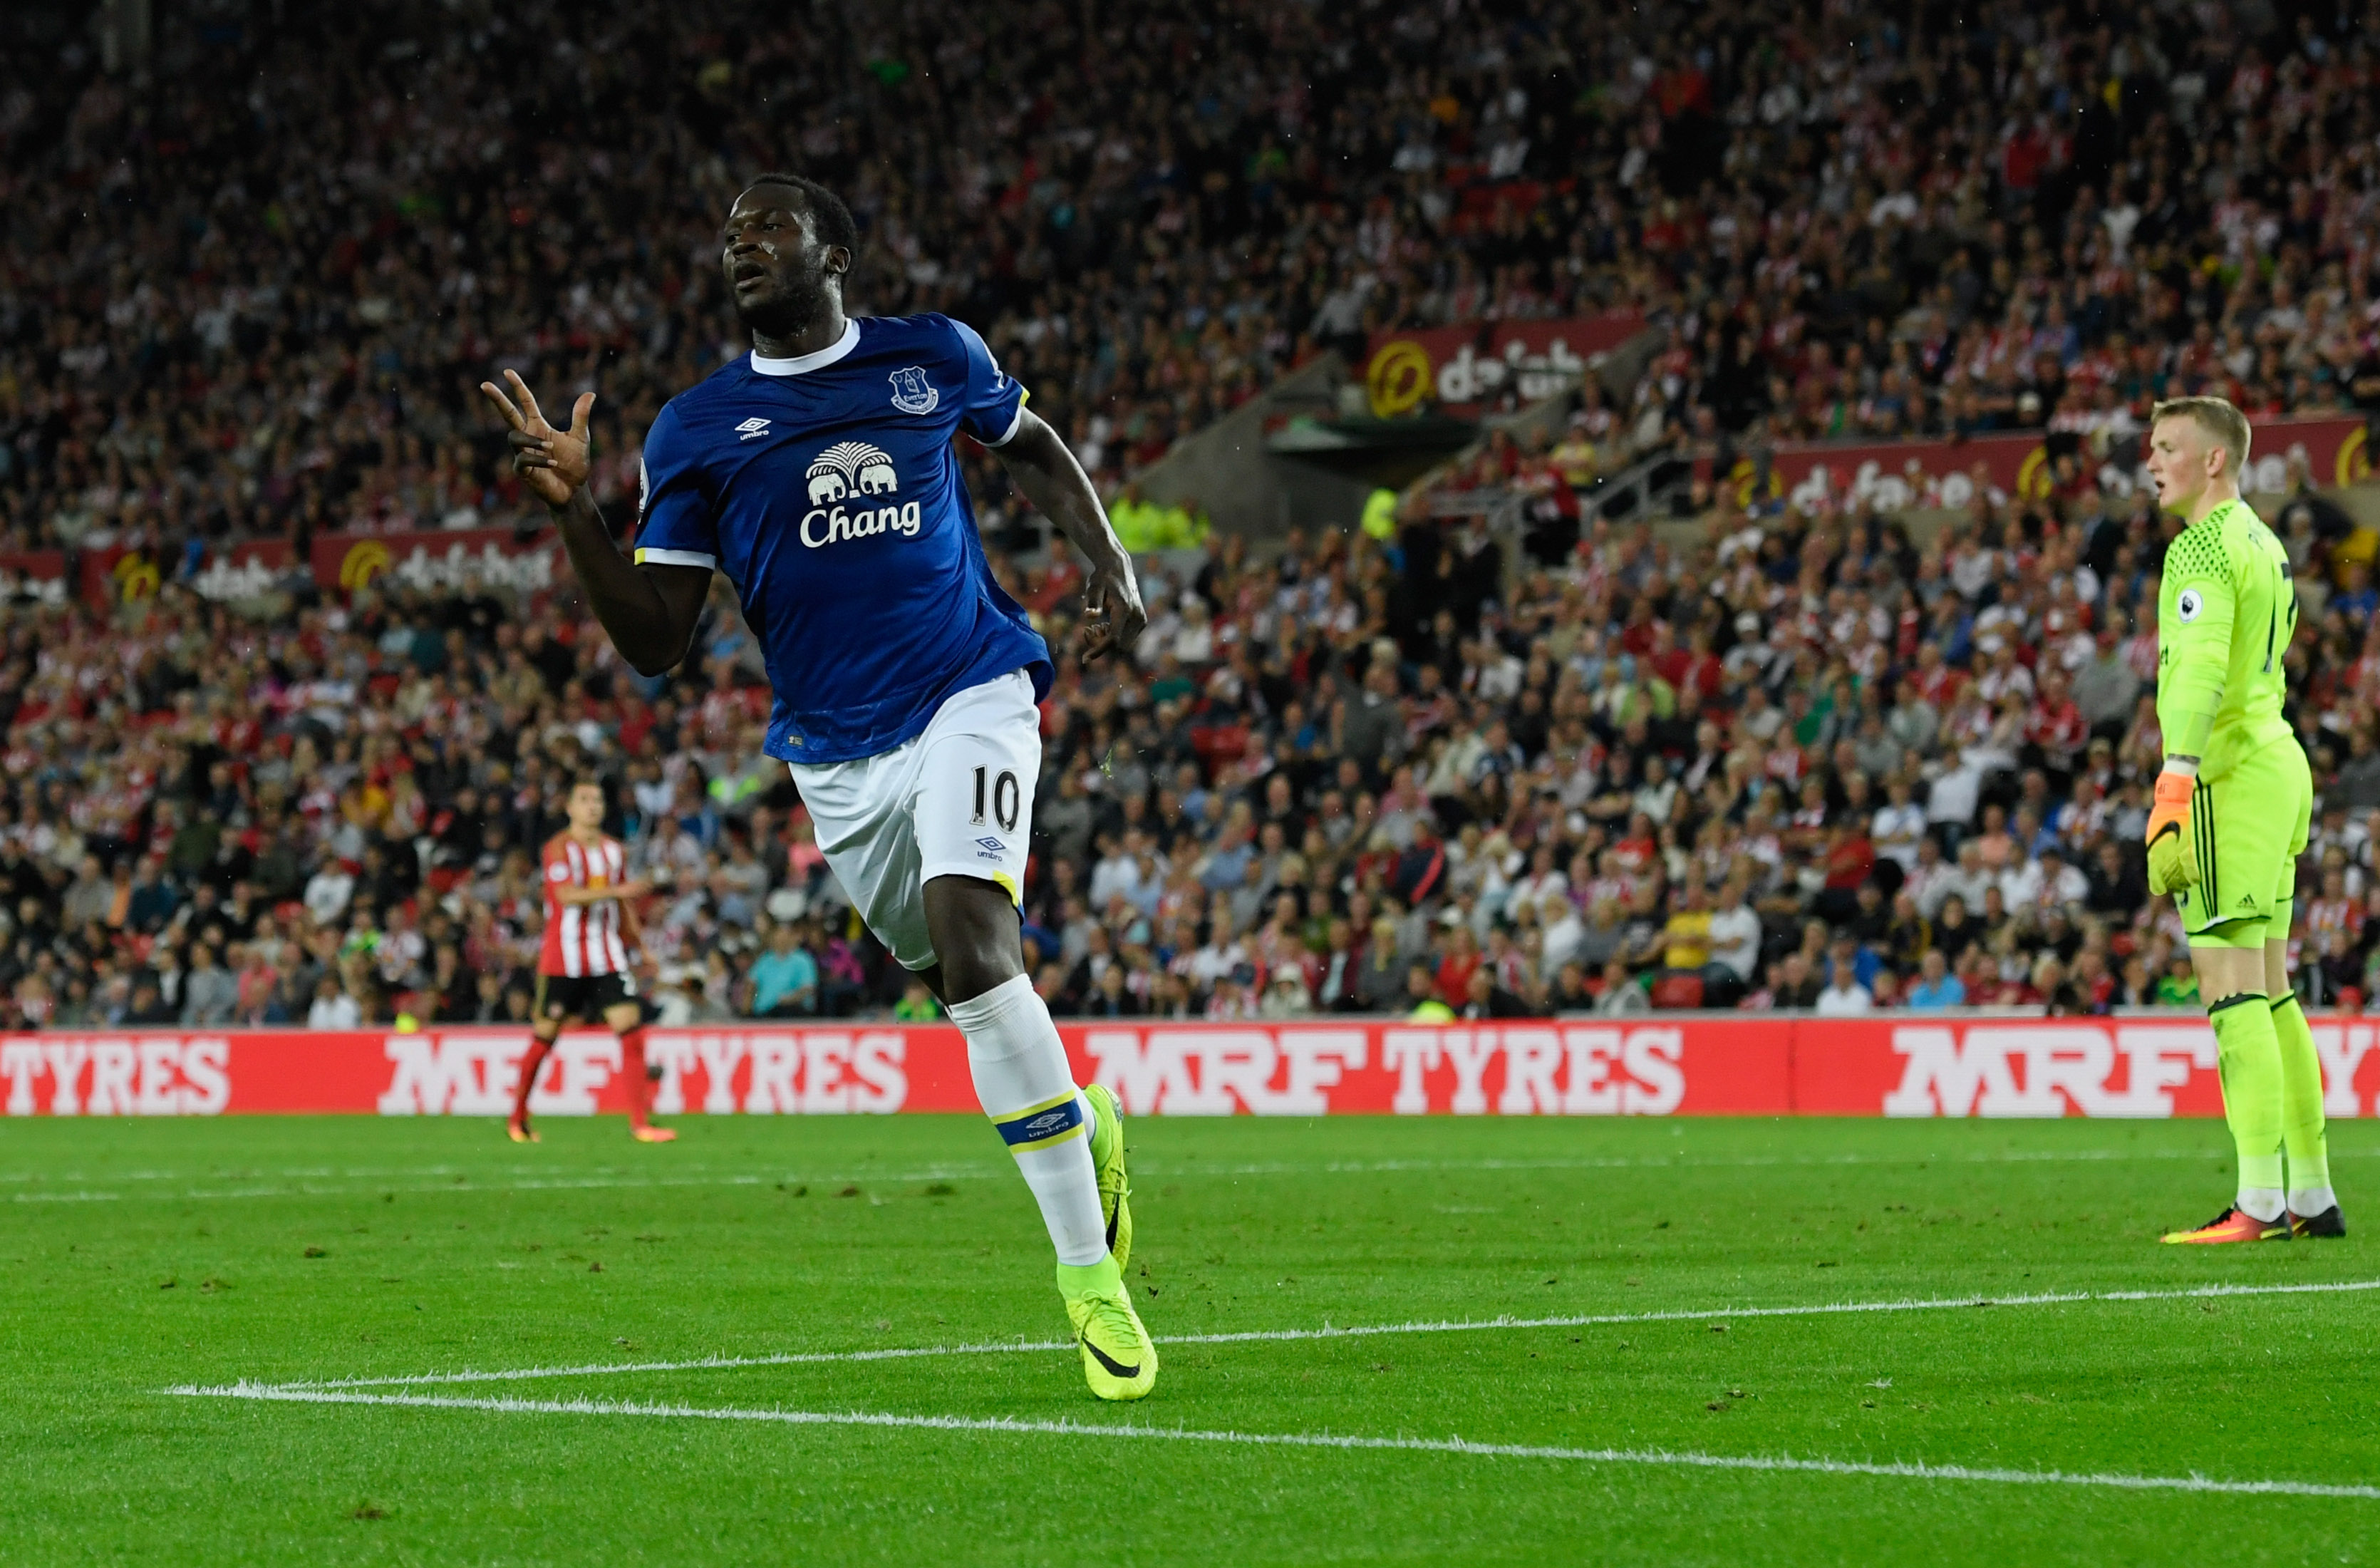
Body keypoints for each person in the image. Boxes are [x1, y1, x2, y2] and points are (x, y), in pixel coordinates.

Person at [482, 173, 1156, 1398]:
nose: (744, 246)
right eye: (729, 233)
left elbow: (1034, 446)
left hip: (973, 683)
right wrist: (578, 508)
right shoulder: (694, 429)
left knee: (979, 943)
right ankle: (1086, 1123)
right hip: (834, 754)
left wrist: (1106, 560)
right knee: (947, 976)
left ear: (835, 250)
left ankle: (1088, 1280)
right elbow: (653, 637)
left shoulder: (930, 358)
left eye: (770, 227)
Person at [2140, 397, 2340, 1244]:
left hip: (2227, 777)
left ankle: (2256, 1201)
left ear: (2212, 460)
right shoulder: (2263, 540)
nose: (2150, 463)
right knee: (2274, 991)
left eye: (2165, 447)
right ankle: (2311, 1192)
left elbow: (2196, 672)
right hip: (2278, 764)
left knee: (2230, 997)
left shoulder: (2201, 546)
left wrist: (2173, 785)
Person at [506, 779, 673, 1145]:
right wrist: (618, 891)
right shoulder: (558, 848)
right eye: (584, 800)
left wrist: (641, 947)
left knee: (630, 1029)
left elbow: (623, 904)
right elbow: (565, 896)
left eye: (597, 799)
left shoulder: (615, 850)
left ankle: (640, 1123)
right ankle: (517, 1118)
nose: (593, 806)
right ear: (569, 808)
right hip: (562, 959)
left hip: (607, 955)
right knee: (545, 1036)